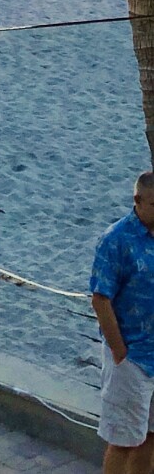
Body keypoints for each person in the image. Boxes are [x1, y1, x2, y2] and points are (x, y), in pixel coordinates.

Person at [91, 173, 154, 472]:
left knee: (151, 437)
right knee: (123, 441)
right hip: (131, 358)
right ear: (138, 201)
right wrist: (119, 351)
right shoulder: (115, 240)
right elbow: (101, 299)